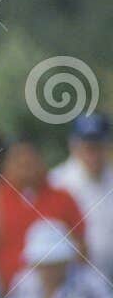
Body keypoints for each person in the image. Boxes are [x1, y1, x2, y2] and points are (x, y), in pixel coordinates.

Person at [0, 136, 83, 294]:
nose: (25, 165)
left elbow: (81, 245)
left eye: (30, 160)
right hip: (7, 294)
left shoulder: (63, 198)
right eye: (18, 161)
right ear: (6, 165)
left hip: (60, 295)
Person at [51, 112, 113, 281]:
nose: (93, 154)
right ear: (74, 146)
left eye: (98, 146)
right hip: (74, 279)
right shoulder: (58, 181)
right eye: (87, 147)